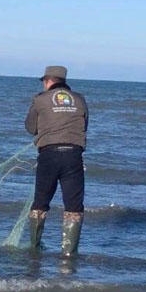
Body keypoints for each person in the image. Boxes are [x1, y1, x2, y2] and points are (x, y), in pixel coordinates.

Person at [24, 65, 89, 256]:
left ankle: (34, 249)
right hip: (73, 156)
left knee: (40, 202)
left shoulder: (40, 99)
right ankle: (68, 255)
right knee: (74, 206)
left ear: (48, 81)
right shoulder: (80, 99)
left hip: (49, 156)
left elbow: (30, 127)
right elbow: (85, 124)